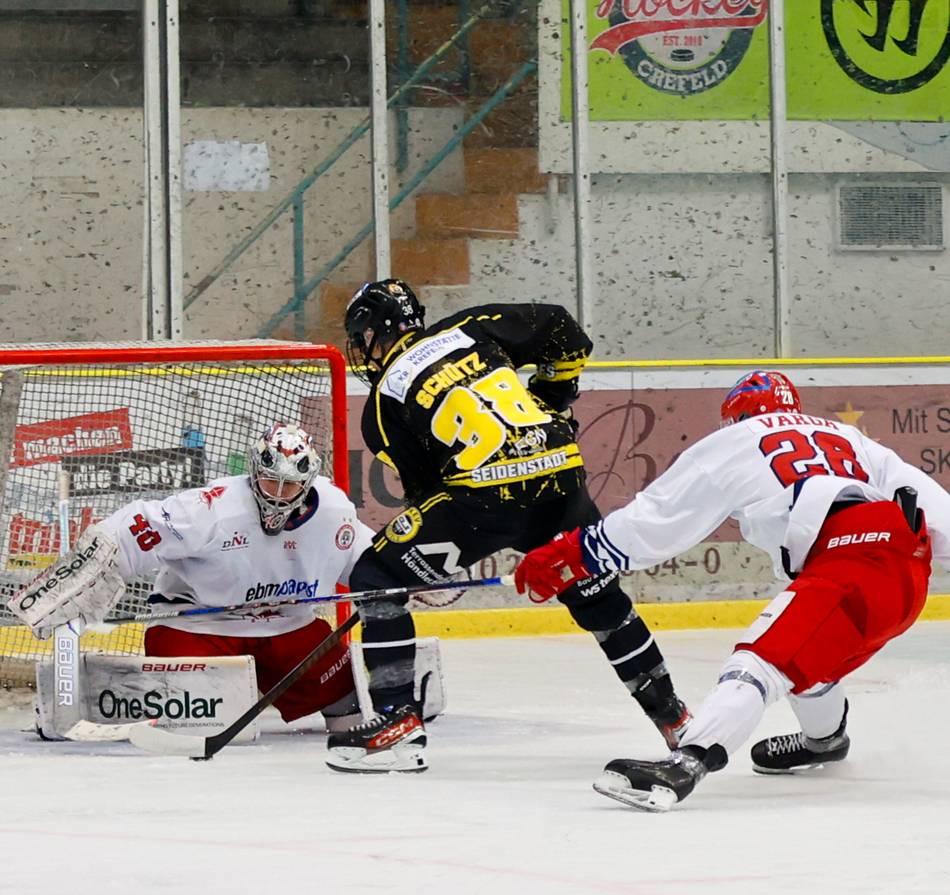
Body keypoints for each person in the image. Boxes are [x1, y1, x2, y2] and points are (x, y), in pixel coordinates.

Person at [514, 370, 950, 811]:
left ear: (737, 414)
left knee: (759, 662)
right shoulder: (851, 439)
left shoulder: (740, 439)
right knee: (811, 658)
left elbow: (660, 516)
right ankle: (825, 741)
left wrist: (577, 553)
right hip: (905, 570)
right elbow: (941, 516)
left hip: (853, 559)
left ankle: (687, 763)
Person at [332, 277, 691, 773]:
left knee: (377, 578)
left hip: (488, 495)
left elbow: (429, 494)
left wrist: (421, 572)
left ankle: (397, 723)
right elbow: (565, 332)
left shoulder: (381, 405)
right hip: (561, 472)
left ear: (376, 333)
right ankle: (676, 718)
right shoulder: (469, 327)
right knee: (596, 594)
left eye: (363, 338)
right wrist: (552, 399)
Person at [9, 423, 374, 731]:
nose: (277, 495)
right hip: (198, 627)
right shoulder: (212, 508)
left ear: (308, 482)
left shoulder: (335, 512)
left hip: (286, 626)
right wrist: (88, 571)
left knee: (349, 709)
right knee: (194, 721)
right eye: (268, 481)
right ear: (254, 471)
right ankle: (90, 700)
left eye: (289, 485)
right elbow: (130, 531)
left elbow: (370, 564)